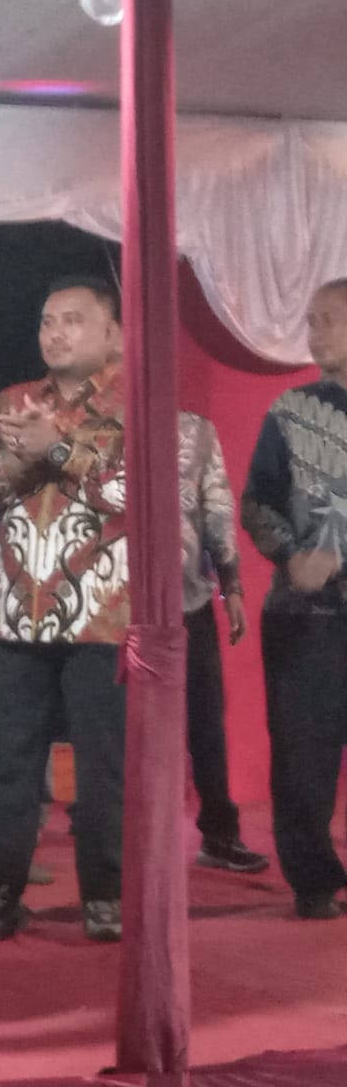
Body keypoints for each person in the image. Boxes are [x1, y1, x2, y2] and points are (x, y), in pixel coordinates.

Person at [0, 275, 128, 944]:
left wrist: (55, 446)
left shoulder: (134, 402)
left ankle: (104, 893)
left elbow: (130, 494)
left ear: (111, 331)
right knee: (10, 760)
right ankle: (1, 889)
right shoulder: (13, 400)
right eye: (47, 321)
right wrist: (15, 456)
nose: (55, 333)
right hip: (15, 614)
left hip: (100, 613)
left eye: (72, 320)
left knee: (101, 764)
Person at [241, 277, 347, 919]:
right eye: (311, 320)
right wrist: (290, 556)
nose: (315, 331)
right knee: (303, 756)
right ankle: (313, 881)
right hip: (305, 615)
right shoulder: (291, 410)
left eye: (329, 318)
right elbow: (257, 501)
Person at [176, 412, 267, 875]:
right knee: (113, 725)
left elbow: (217, 509)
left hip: (187, 599)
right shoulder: (93, 423)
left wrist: (230, 585)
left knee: (205, 721)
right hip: (112, 606)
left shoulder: (196, 431)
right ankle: (109, 835)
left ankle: (219, 834)